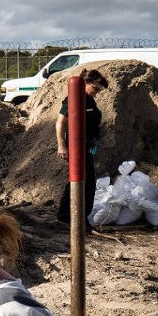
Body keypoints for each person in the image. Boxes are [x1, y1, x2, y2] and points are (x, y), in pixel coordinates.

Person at [55, 68, 109, 230]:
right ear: (85, 83)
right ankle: (71, 217)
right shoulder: (74, 99)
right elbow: (60, 123)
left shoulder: (90, 101)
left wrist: (92, 143)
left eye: (100, 90)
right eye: (95, 88)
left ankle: (70, 215)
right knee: (81, 180)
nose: (97, 92)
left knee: (83, 180)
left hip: (86, 146)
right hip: (74, 146)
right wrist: (61, 145)